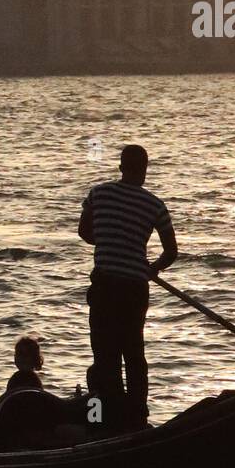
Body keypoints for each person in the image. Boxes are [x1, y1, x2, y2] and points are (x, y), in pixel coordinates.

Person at [77, 143, 178, 428]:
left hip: (106, 285)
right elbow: (171, 252)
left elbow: (85, 232)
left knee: (105, 354)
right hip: (134, 287)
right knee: (134, 354)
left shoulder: (99, 194)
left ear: (121, 168)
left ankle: (111, 416)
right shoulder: (155, 205)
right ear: (144, 169)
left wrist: (111, 240)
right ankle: (136, 416)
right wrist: (152, 267)